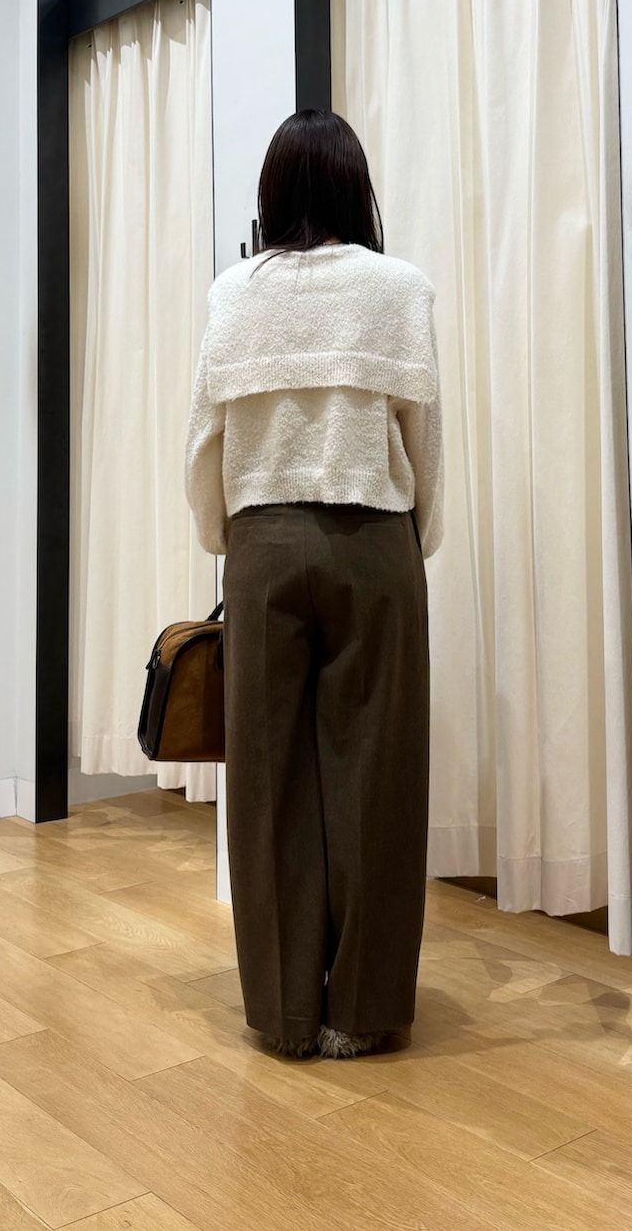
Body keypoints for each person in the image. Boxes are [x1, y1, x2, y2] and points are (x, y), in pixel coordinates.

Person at [185, 109, 444, 1059]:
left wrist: (226, 537)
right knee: (378, 776)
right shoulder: (398, 289)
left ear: (273, 191)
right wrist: (416, 536)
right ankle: (361, 1010)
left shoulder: (233, 297)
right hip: (374, 541)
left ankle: (286, 1012)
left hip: (261, 542)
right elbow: (424, 437)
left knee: (267, 782)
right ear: (354, 187)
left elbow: (204, 440)